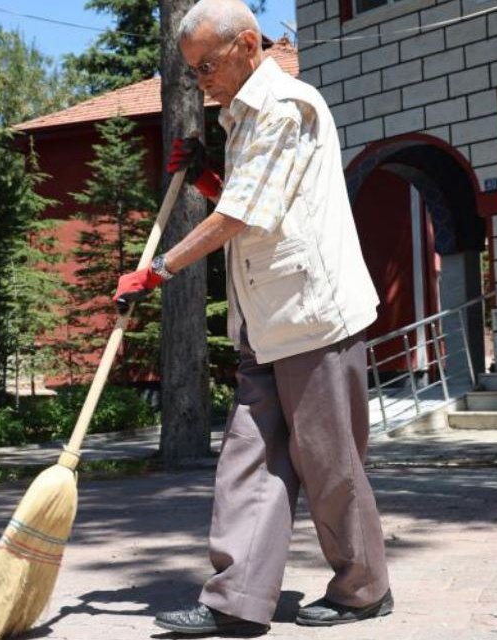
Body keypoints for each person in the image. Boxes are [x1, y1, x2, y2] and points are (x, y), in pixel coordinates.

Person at [113, 0, 391, 634]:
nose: (201, 79)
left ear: (246, 44)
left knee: (328, 464)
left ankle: (364, 588)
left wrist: (157, 270)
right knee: (249, 460)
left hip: (313, 319)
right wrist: (210, 177)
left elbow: (245, 217)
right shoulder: (243, 117)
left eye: (207, 65)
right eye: (192, 71)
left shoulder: (284, 106)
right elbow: (256, 201)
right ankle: (236, 601)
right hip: (263, 323)